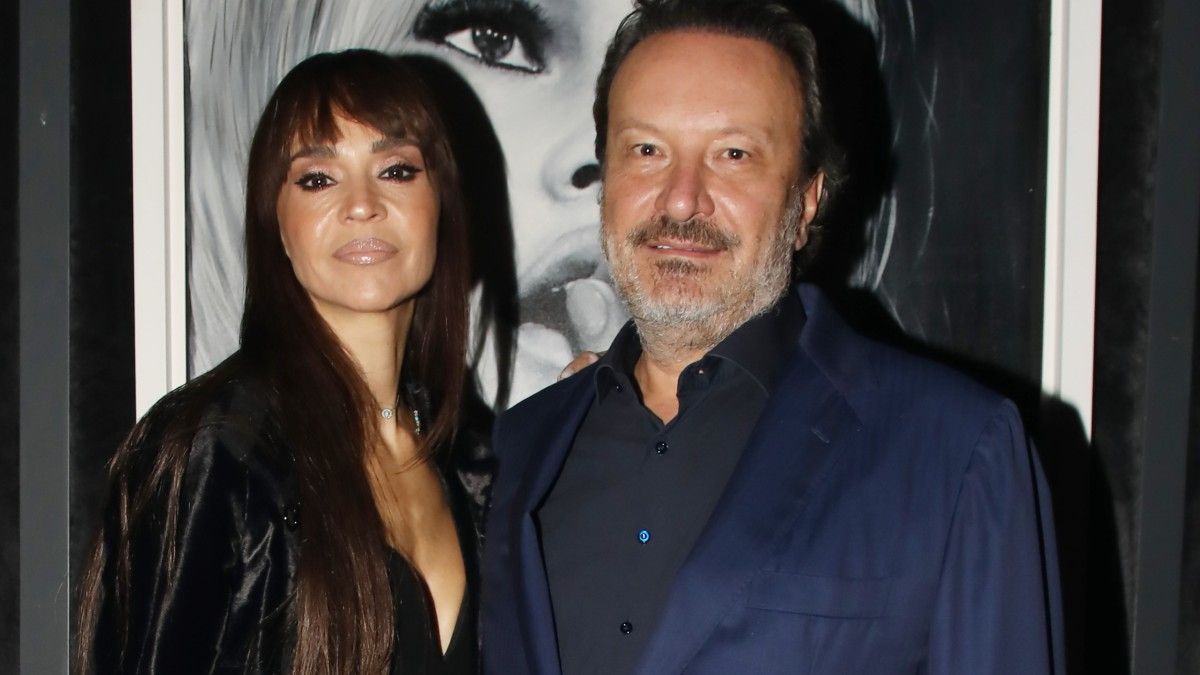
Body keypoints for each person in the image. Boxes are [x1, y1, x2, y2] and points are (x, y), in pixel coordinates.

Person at [480, 1, 1065, 673]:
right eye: (646, 150)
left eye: (733, 155)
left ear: (806, 200)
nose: (681, 199)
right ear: (605, 178)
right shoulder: (519, 449)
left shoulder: (954, 451)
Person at [185, 0, 922, 408]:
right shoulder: (221, 457)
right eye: (493, 37)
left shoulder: (482, 464)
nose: (600, 157)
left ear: (806, 198)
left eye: (732, 149)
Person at [76, 50, 485, 673]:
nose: (362, 204)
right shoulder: (217, 454)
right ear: (276, 224)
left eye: (396, 170)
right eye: (318, 179)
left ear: (442, 204)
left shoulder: (471, 464)